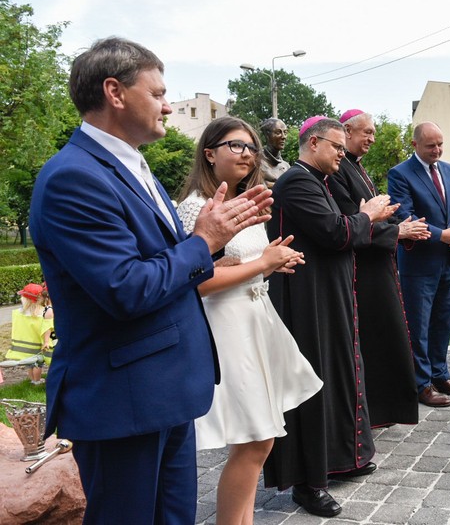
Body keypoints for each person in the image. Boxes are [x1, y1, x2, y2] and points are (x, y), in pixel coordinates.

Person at [29, 37, 272, 523]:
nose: (167, 105)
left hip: (164, 390)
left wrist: (215, 239)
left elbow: (164, 261)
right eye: (159, 93)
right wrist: (203, 242)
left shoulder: (135, 165)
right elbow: (126, 287)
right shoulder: (72, 177)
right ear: (115, 92)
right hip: (124, 399)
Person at [176, 117, 322, 525]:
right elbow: (196, 282)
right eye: (235, 145)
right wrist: (262, 262)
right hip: (227, 328)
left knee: (262, 439)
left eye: (251, 147)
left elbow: (244, 265)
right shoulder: (196, 207)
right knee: (256, 439)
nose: (247, 154)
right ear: (209, 153)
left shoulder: (245, 203)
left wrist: (272, 262)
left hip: (256, 318)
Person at [263, 116, 397, 518]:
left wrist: (358, 219)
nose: (343, 153)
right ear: (314, 143)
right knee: (314, 385)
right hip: (305, 303)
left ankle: (339, 459)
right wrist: (368, 216)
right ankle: (309, 483)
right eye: (337, 147)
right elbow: (335, 232)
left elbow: (341, 228)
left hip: (327, 296)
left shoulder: (316, 181)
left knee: (338, 377)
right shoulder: (297, 182)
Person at [328, 108, 428, 426]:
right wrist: (397, 231)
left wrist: (395, 221)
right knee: (373, 339)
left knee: (387, 338)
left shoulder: (357, 168)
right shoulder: (337, 171)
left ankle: (385, 409)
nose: (372, 137)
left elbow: (372, 214)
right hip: (361, 271)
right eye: (366, 132)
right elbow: (351, 220)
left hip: (378, 266)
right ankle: (374, 409)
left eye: (372, 132)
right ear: (346, 131)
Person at [387, 121, 450, 408]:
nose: (437, 150)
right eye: (430, 146)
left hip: (448, 260)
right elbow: (405, 218)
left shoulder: (448, 170)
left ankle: (440, 374)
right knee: (418, 326)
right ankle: (421, 384)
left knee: (443, 323)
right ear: (415, 145)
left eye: (440, 144)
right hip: (418, 264)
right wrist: (442, 235)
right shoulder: (400, 174)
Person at [5, 283, 54, 385]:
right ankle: (37, 381)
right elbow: (48, 327)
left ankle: (32, 379)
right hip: (37, 344)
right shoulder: (43, 313)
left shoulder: (19, 313)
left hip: (25, 345)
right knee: (37, 364)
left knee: (29, 363)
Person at [259, 117, 290, 188]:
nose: (283, 137)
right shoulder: (256, 163)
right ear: (267, 135)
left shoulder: (286, 166)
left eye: (285, 132)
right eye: (278, 132)